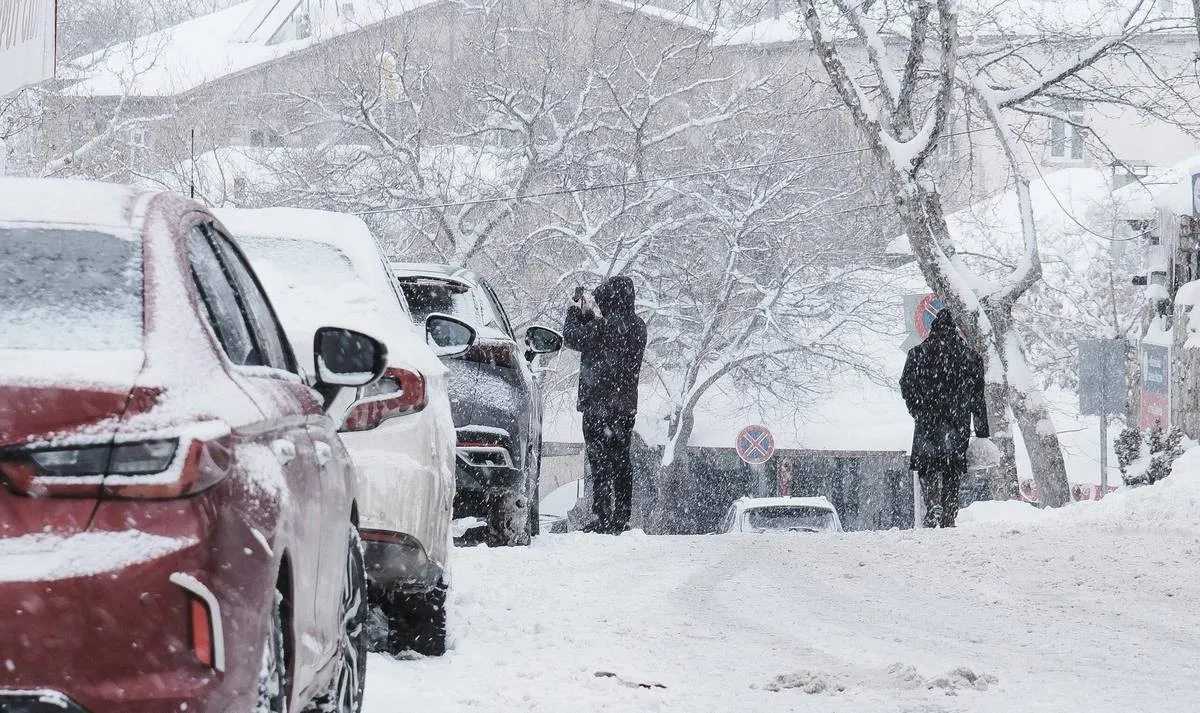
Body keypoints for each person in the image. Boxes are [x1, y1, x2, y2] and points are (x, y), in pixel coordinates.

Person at [563, 276, 647, 535]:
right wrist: (589, 317)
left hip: (597, 407)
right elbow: (603, 337)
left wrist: (574, 312)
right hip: (625, 407)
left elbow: (572, 337)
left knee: (599, 463)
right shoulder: (638, 327)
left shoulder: (601, 327)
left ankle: (603, 516)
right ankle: (621, 516)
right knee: (621, 461)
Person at [899, 308, 989, 528]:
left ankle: (933, 505)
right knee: (952, 469)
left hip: (927, 420)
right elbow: (978, 396)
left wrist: (917, 409)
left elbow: (906, 385)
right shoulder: (970, 357)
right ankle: (949, 513)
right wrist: (981, 431)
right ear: (955, 329)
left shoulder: (917, 354)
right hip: (957, 422)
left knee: (927, 466)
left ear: (933, 328)